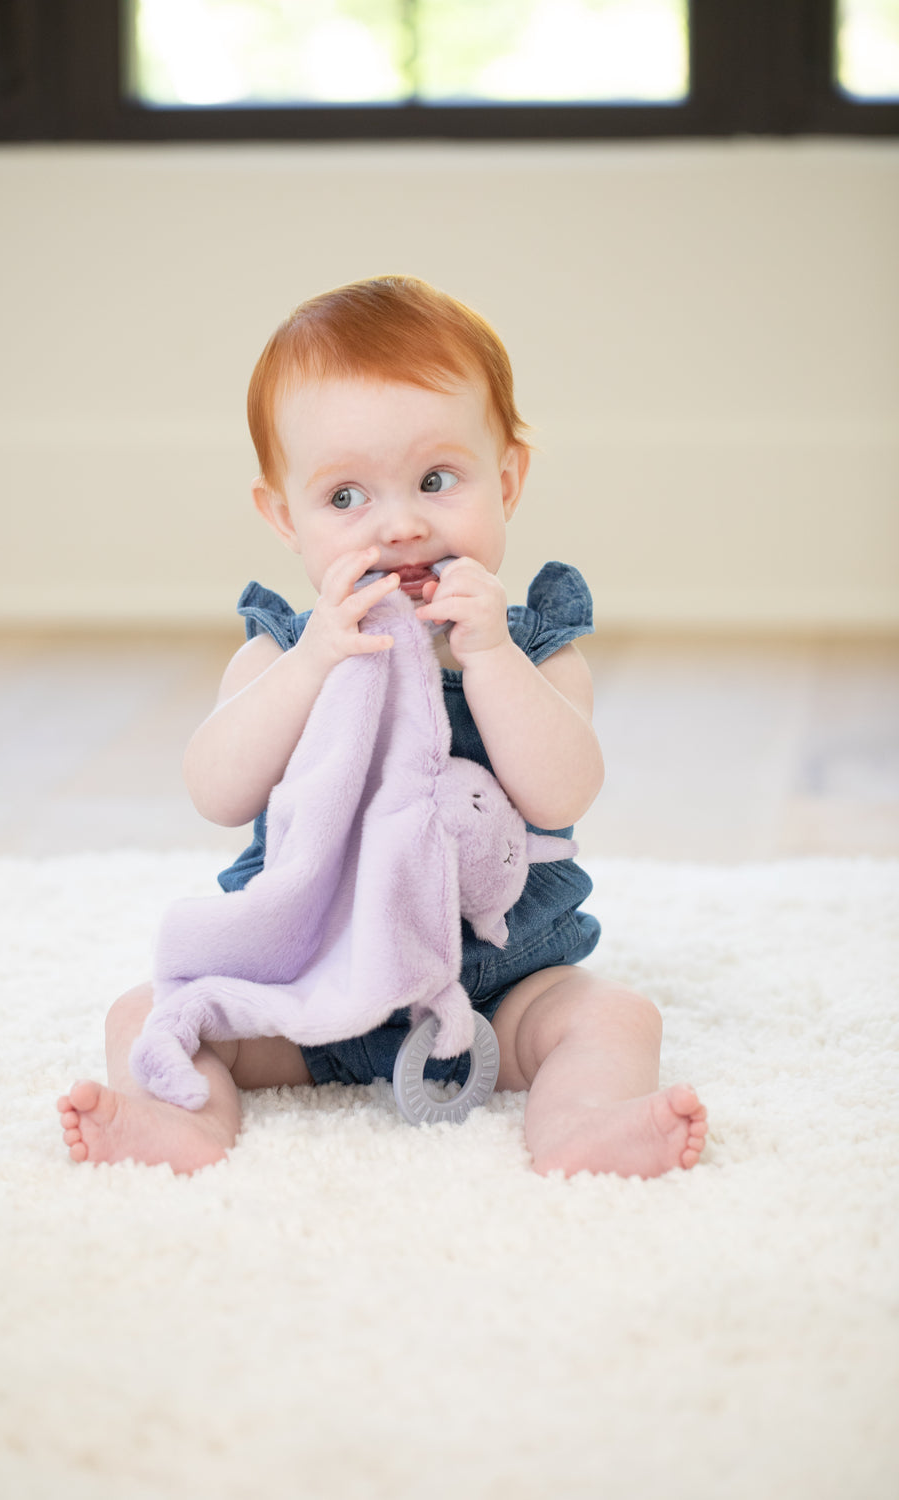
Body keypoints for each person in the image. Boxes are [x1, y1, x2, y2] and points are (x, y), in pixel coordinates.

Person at [58, 275, 707, 1179]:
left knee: (614, 1017)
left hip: (496, 987)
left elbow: (563, 792)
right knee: (148, 1012)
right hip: (307, 984)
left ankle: (579, 1126)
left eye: (437, 481)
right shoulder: (280, 654)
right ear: (284, 516)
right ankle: (184, 1126)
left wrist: (488, 660)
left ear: (507, 480)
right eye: (345, 499)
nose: (400, 525)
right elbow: (216, 790)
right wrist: (316, 663)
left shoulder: (535, 650)